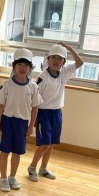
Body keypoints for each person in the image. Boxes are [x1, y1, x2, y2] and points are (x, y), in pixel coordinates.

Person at [27, 43, 83, 182]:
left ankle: (43, 168)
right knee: (45, 144)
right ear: (48, 59)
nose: (56, 61)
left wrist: (70, 49)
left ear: (63, 62)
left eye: (60, 58)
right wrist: (34, 119)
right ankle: (32, 167)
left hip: (57, 112)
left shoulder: (63, 73)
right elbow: (34, 97)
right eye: (53, 57)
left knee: (51, 143)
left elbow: (80, 62)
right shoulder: (43, 77)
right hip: (43, 113)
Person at [0, 48, 42, 192]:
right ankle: (3, 178)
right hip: (7, 123)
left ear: (30, 68)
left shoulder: (33, 87)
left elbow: (35, 108)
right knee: (4, 152)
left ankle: (12, 177)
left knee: (17, 152)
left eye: (26, 65)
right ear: (14, 66)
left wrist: (31, 127)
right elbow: (0, 107)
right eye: (19, 64)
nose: (22, 68)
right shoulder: (6, 84)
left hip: (22, 124)